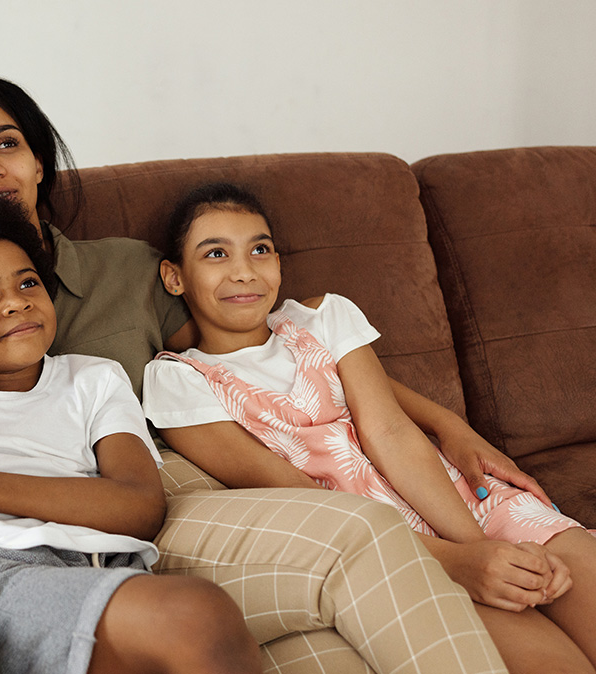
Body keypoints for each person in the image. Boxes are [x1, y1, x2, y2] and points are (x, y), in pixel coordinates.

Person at [0, 76, 520, 673]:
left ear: (38, 167)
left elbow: (258, 346)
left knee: (328, 636)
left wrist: (442, 421)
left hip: (174, 477)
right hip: (123, 514)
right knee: (347, 553)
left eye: (8, 144)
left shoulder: (125, 269)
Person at [142, 182, 596, 673]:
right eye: (215, 253)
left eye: (260, 249)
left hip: (465, 505)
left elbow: (392, 434)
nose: (244, 271)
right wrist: (461, 564)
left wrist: (482, 549)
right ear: (174, 277)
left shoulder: (322, 317)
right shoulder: (178, 381)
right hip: (391, 555)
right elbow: (301, 500)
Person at [0, 194, 262, 673]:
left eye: (28, 283)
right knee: (197, 616)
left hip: (105, 563)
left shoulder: (94, 378)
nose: (17, 301)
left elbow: (141, 507)